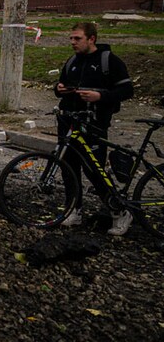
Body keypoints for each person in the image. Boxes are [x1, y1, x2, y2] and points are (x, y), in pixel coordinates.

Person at [54, 22, 135, 235]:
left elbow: (127, 90)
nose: (72, 42)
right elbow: (61, 85)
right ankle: (74, 209)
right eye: (71, 38)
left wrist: (101, 96)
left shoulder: (109, 62)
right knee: (68, 168)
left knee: (94, 170)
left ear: (91, 39)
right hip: (69, 122)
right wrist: (59, 89)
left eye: (77, 38)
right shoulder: (72, 61)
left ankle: (119, 212)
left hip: (94, 124)